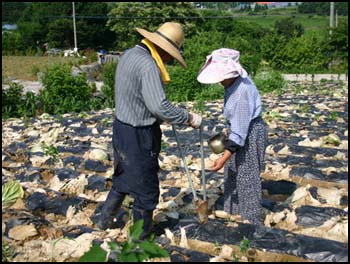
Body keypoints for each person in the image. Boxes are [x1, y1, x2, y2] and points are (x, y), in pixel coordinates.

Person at [92, 22, 202, 239]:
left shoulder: (130, 54)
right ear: (162, 48)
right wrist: (187, 117)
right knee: (146, 190)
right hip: (139, 134)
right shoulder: (148, 65)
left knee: (122, 177)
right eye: (171, 54)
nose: (170, 60)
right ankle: (139, 241)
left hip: (121, 128)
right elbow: (159, 106)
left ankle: (103, 221)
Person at [197, 48, 268, 225]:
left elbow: (240, 133)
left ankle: (251, 222)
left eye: (222, 76)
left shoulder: (241, 92)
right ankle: (234, 215)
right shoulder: (232, 84)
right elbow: (236, 123)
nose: (220, 80)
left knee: (247, 176)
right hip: (241, 129)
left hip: (250, 133)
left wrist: (222, 158)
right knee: (232, 174)